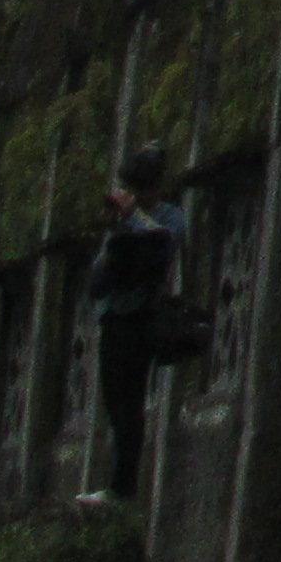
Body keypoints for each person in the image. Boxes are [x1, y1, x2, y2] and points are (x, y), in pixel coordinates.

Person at [80, 145, 185, 506]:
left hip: (142, 318)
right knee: (114, 402)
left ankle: (123, 487)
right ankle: (116, 484)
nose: (137, 196)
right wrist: (115, 229)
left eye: (143, 189)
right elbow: (100, 279)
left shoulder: (170, 218)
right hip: (113, 317)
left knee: (131, 404)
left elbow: (162, 251)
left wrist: (134, 220)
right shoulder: (122, 222)